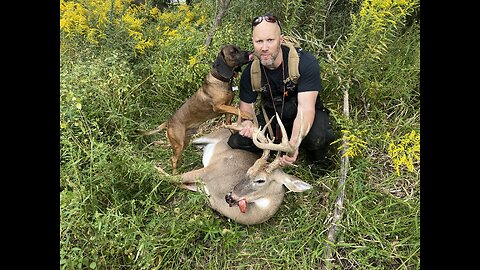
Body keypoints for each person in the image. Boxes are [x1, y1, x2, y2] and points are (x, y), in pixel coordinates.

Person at [227, 14, 335, 173]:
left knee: (318, 136)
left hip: (303, 116)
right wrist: (248, 125)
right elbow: (246, 113)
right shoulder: (250, 73)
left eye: (270, 40)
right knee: (236, 141)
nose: (264, 47)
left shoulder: (304, 62)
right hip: (273, 121)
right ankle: (269, 152)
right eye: (259, 41)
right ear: (253, 42)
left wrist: (293, 143)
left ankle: (317, 164)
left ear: (281, 39)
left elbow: (306, 109)